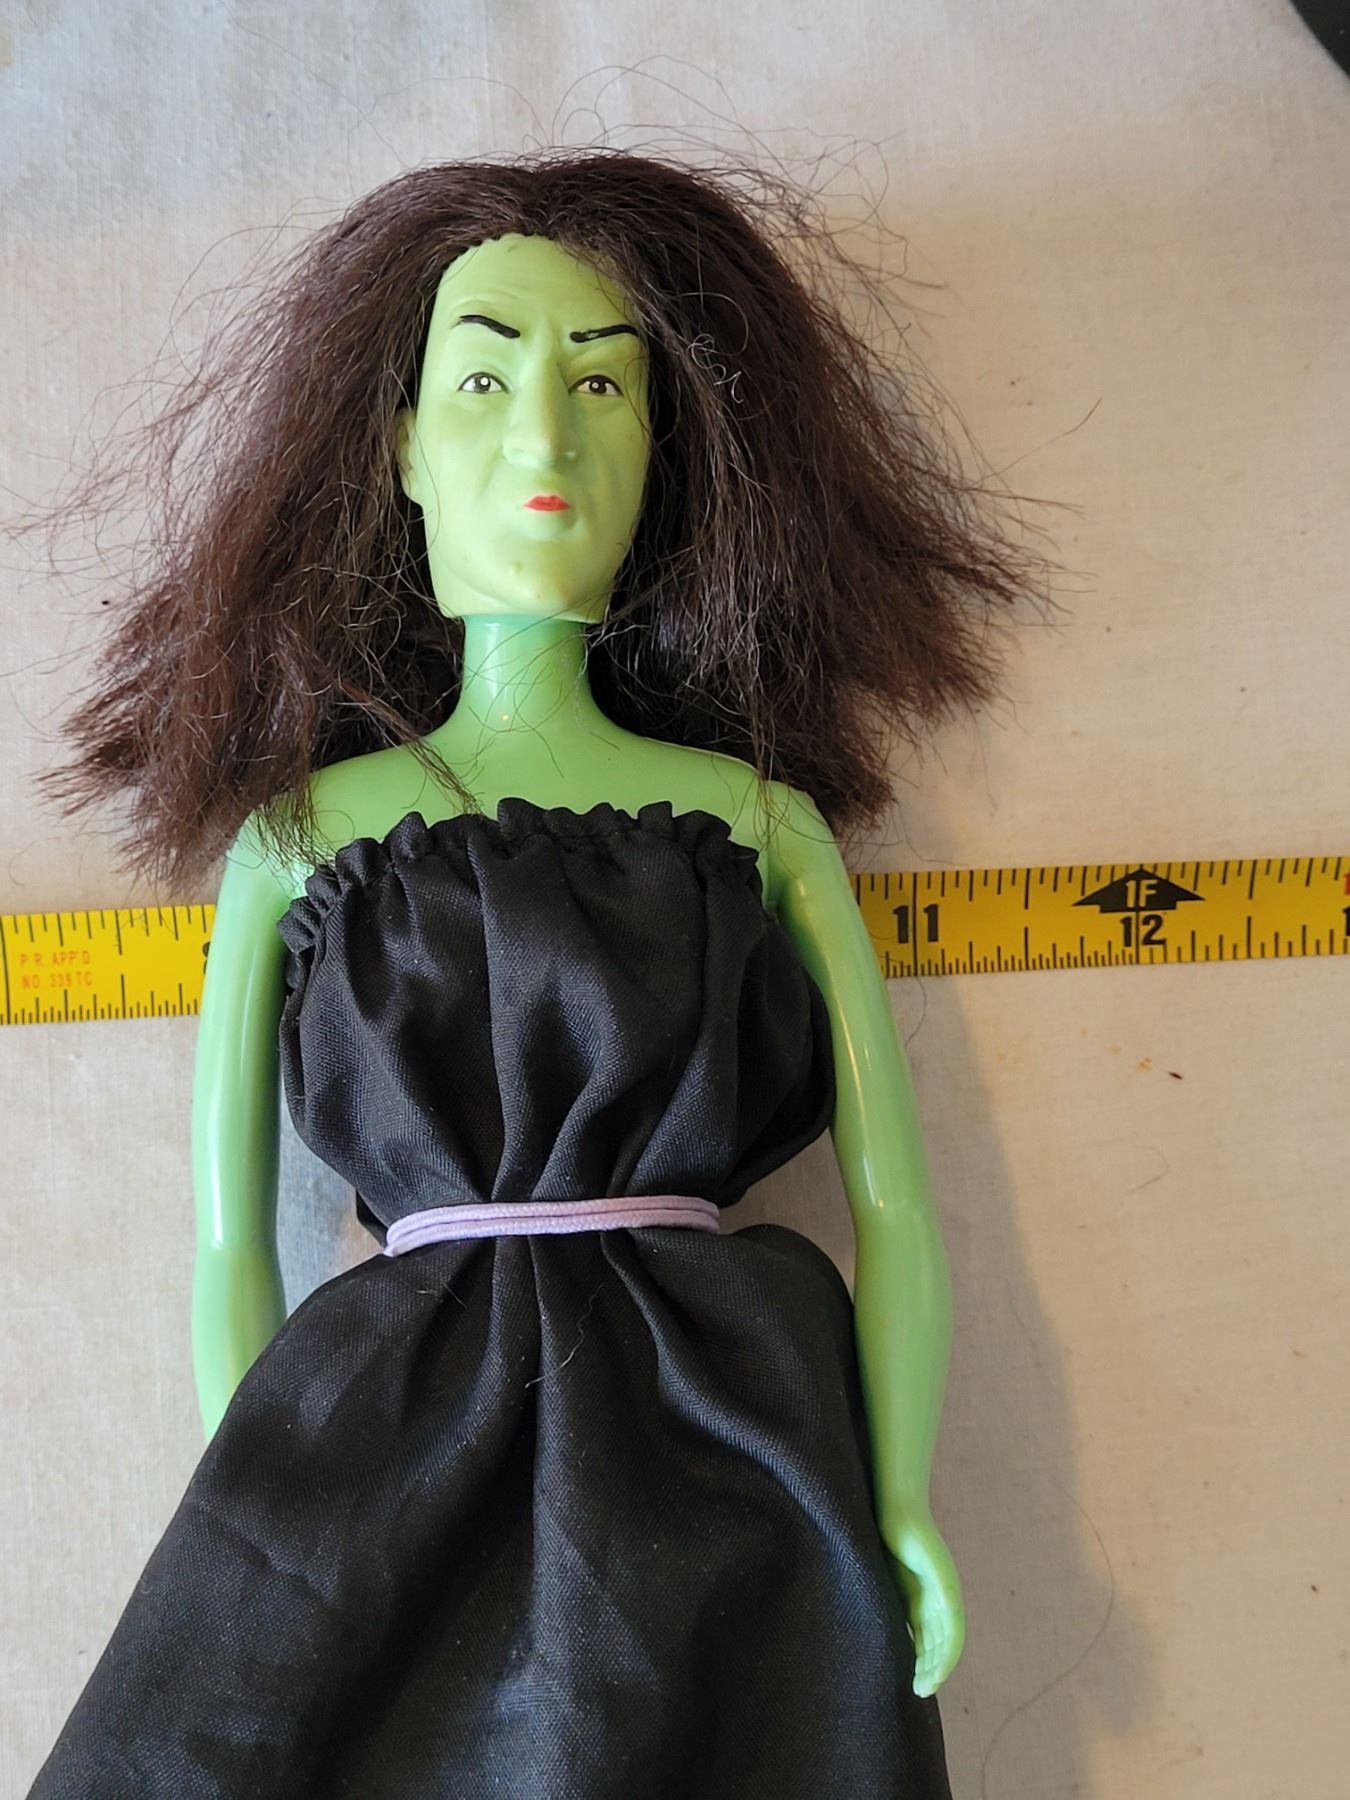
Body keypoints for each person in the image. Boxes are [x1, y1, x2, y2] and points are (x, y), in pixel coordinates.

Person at [30, 150, 1048, 1798]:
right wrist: (261, 1515)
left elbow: (896, 1208)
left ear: (668, 455)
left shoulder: (754, 821)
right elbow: (227, 1237)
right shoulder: (303, 835)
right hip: (397, 1427)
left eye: (603, 388)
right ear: (400, 450)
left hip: (722, 1432)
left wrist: (902, 1497)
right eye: (485, 381)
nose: (546, 444)